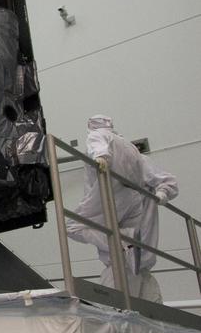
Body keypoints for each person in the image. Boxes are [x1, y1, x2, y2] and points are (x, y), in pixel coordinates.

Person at [67, 115, 178, 302]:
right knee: (148, 309)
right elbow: (168, 180)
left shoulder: (99, 135)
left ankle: (122, 242)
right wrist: (162, 194)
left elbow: (98, 145)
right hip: (141, 256)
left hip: (110, 197)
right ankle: (125, 241)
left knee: (73, 227)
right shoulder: (133, 150)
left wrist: (100, 156)